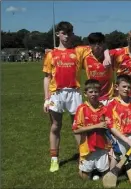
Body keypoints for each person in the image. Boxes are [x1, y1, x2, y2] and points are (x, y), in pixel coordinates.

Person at [42, 21, 94, 172]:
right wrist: (46, 98)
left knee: (78, 127)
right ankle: (54, 159)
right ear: (57, 34)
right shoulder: (50, 54)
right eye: (63, 33)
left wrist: (104, 54)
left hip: (74, 93)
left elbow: (98, 47)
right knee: (56, 126)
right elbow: (46, 77)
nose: (66, 36)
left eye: (69, 33)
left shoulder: (78, 51)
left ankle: (83, 157)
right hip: (56, 94)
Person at [105, 74, 131, 172]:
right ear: (116, 87)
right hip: (120, 138)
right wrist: (127, 141)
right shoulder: (112, 105)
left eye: (129, 87)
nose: (126, 89)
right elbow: (111, 127)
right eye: (124, 86)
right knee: (114, 170)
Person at [72, 79, 109, 180]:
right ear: (85, 94)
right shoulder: (82, 109)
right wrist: (97, 126)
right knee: (84, 178)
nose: (94, 94)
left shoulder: (104, 108)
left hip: (102, 146)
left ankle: (97, 169)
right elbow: (76, 130)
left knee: (106, 176)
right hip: (87, 147)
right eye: (91, 92)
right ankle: (91, 169)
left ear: (100, 93)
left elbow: (109, 126)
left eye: (96, 92)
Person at [81, 32, 114, 105]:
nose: (97, 46)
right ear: (90, 45)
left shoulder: (111, 56)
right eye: (94, 43)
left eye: (99, 43)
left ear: (103, 44)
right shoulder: (85, 58)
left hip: (108, 97)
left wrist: (107, 54)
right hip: (93, 97)